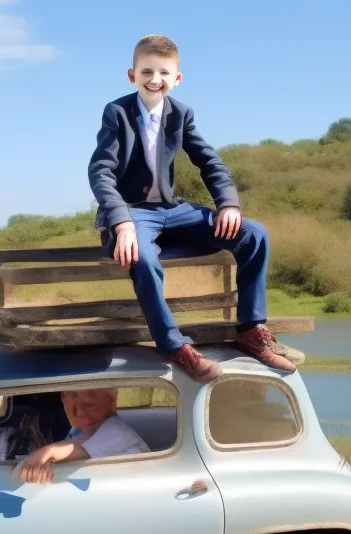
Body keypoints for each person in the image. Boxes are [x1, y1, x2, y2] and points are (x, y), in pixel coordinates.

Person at [88, 34, 298, 382]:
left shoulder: (181, 114)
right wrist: (120, 222)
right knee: (142, 255)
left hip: (173, 210)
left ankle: (249, 329)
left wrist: (228, 203)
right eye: (147, 72)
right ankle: (173, 344)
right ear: (132, 75)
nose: (155, 79)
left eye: (163, 73)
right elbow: (100, 171)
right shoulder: (117, 113)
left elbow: (210, 162)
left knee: (254, 234)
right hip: (133, 212)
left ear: (177, 78)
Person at [15, 388, 150, 483]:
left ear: (111, 400)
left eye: (89, 405)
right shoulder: (78, 432)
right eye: (71, 405)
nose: (79, 412)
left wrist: (47, 452)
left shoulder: (118, 432)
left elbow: (78, 450)